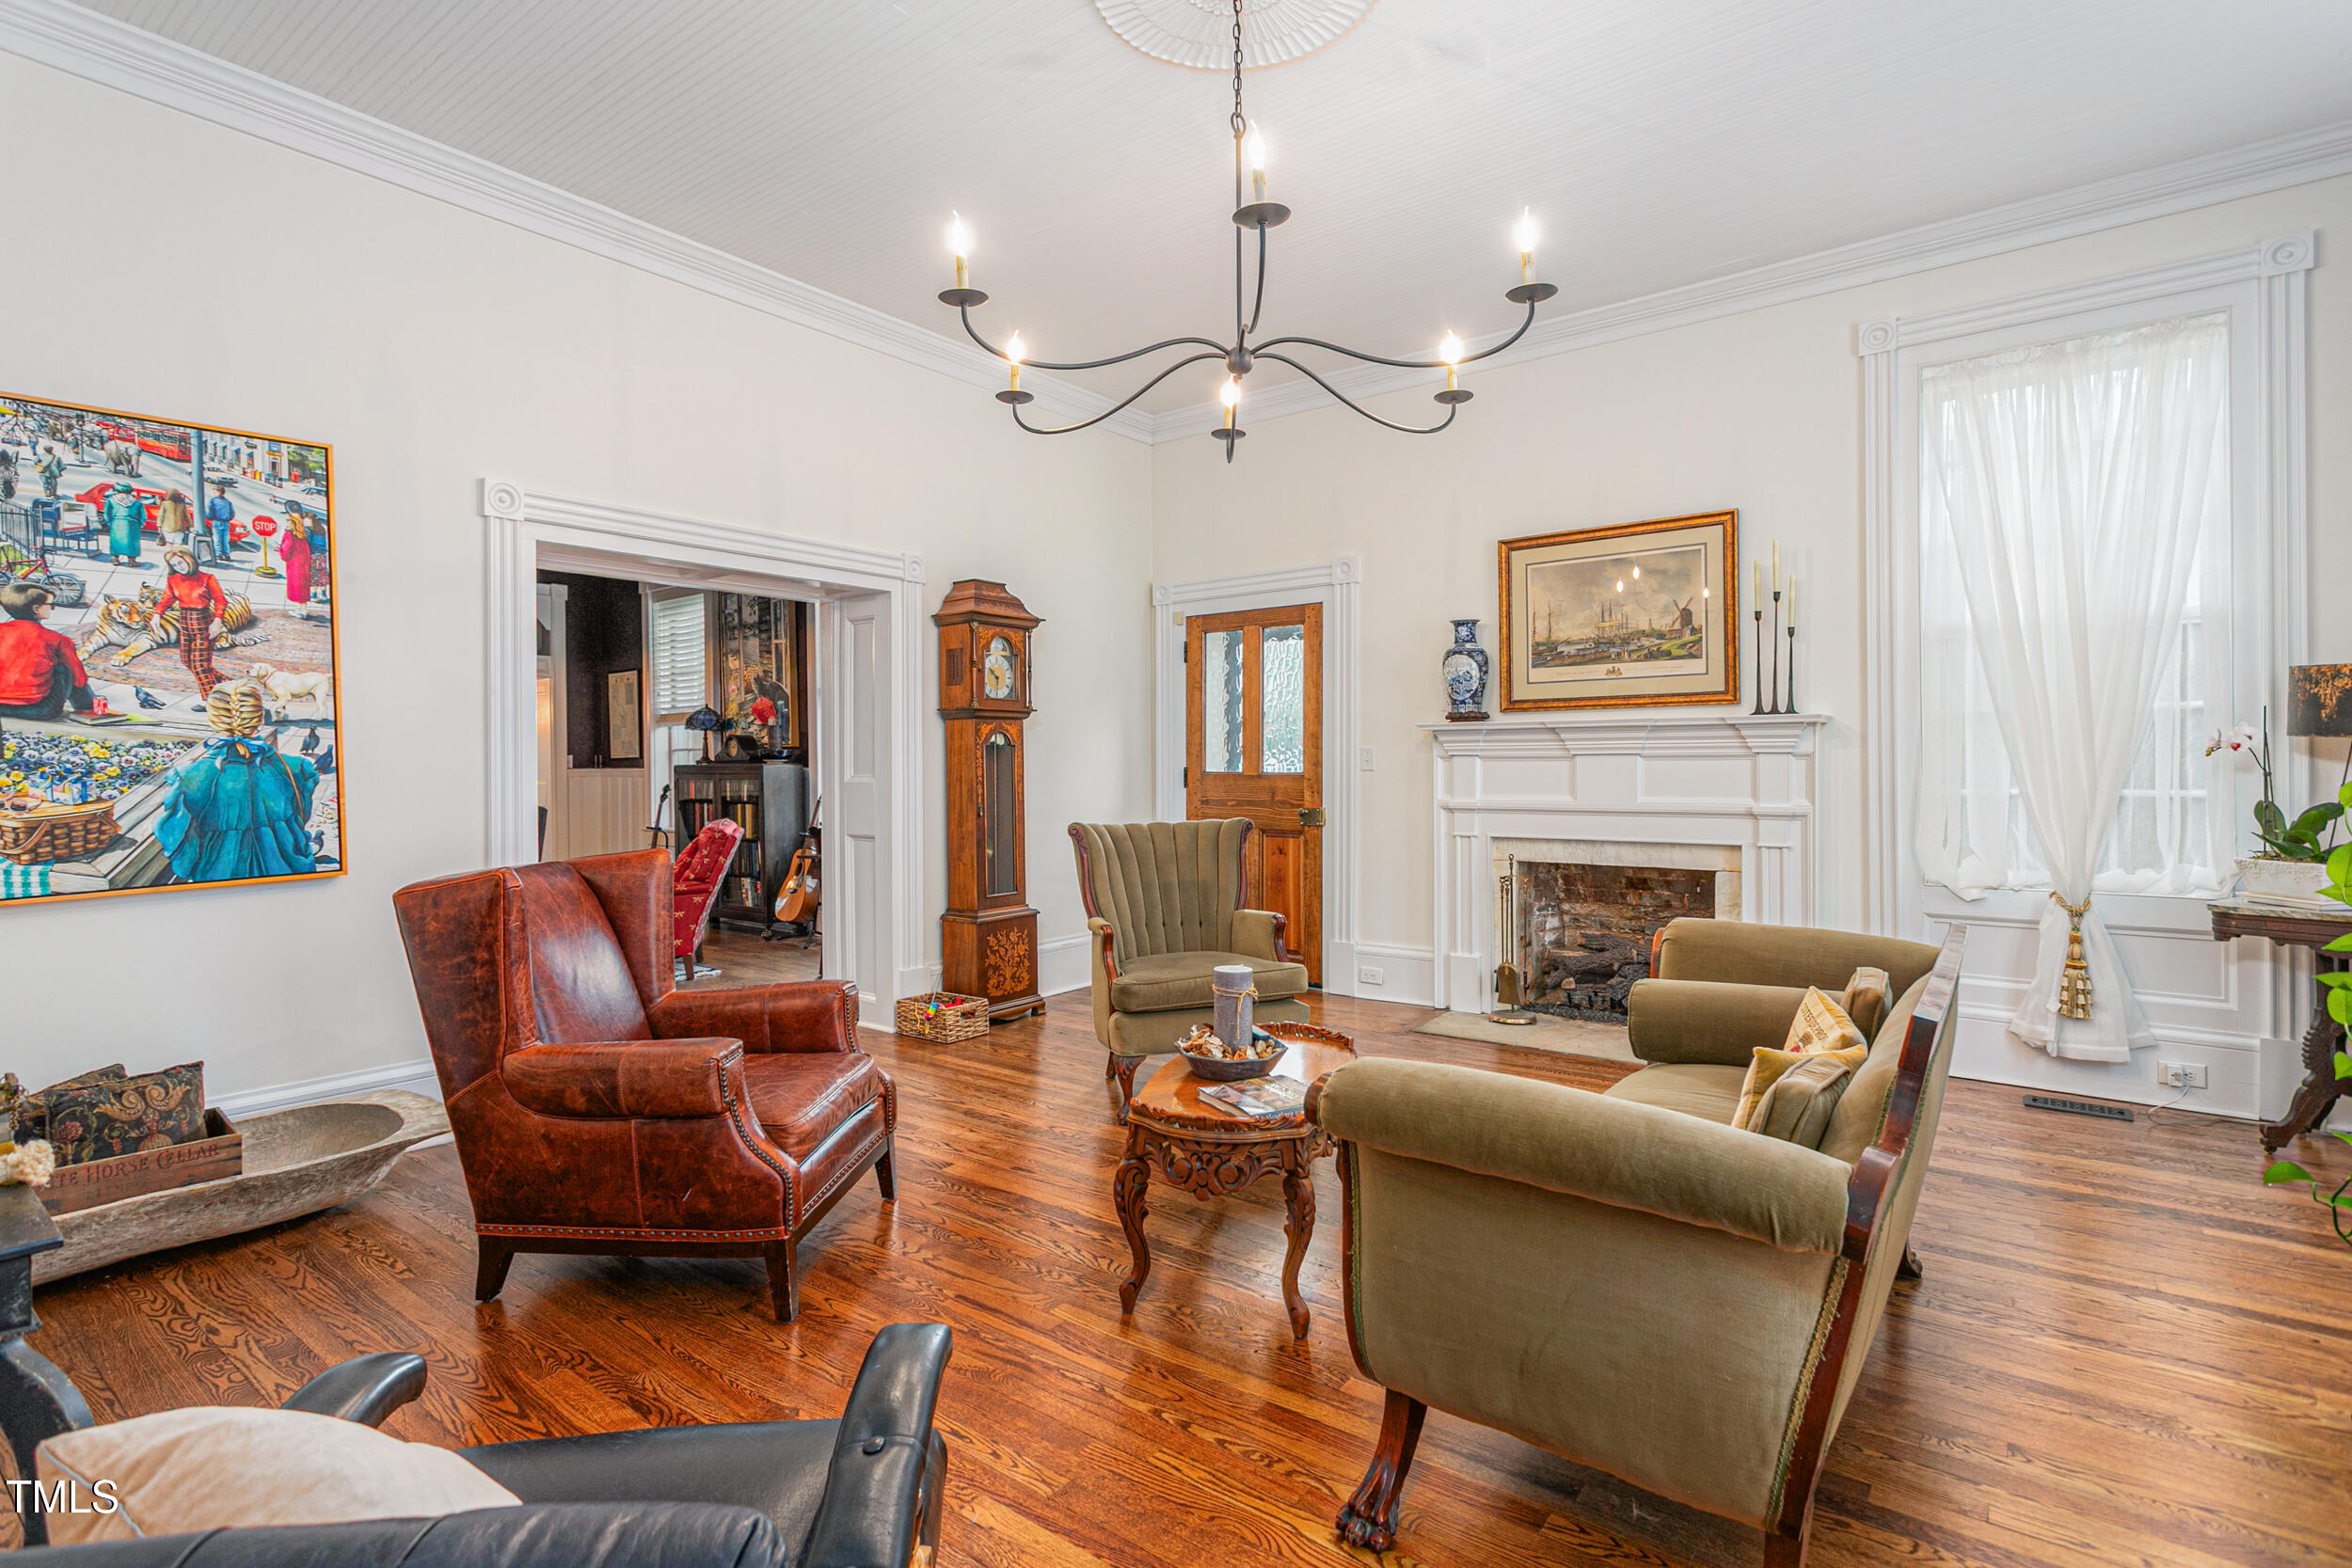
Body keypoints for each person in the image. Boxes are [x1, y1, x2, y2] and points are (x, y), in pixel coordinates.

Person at [152, 680, 319, 882]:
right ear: (260, 718)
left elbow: (177, 841)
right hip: (287, 872)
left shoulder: (189, 776)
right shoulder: (296, 768)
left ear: (213, 720)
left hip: (218, 876)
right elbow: (302, 818)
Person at [0, 581, 96, 721]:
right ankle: (88, 710)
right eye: (50, 605)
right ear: (36, 609)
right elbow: (79, 680)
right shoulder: (56, 639)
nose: (53, 609)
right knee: (66, 668)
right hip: (40, 710)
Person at [154, 545, 229, 696]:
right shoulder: (173, 580)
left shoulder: (207, 578)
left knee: (199, 665)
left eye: (180, 563)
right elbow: (166, 599)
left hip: (203, 622)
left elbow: (220, 600)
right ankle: (228, 683)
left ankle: (211, 699)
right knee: (187, 660)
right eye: (174, 565)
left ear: (189, 559)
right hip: (184, 622)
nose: (178, 567)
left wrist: (217, 621)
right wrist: (157, 614)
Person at [100, 479, 145, 566]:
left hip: (117, 522)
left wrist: (109, 523)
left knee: (116, 541)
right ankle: (132, 561)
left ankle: (115, 559)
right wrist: (139, 524)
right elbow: (142, 516)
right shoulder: (137, 502)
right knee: (132, 542)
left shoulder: (111, 500)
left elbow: (106, 513)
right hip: (132, 523)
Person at [278, 507, 312, 620]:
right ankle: (304, 610)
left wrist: (281, 551)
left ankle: (298, 611)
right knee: (303, 586)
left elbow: (286, 549)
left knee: (296, 586)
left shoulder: (289, 534)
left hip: (294, 563)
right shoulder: (303, 534)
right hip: (304, 563)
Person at [203, 481, 236, 561]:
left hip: (217, 522)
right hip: (226, 523)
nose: (214, 494)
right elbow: (232, 513)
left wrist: (209, 518)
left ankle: (218, 555)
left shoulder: (213, 501)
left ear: (218, 492)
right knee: (225, 540)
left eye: (214, 492)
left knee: (217, 539)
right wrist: (228, 519)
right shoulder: (228, 502)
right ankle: (227, 555)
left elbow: (210, 512)